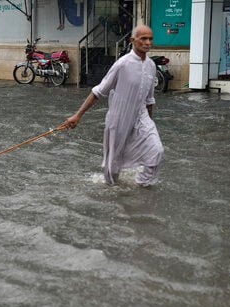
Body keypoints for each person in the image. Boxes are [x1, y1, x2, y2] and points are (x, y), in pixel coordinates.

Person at [65, 25, 164, 187]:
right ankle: (112, 194)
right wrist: (77, 116)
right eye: (143, 38)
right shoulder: (122, 64)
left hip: (141, 117)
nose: (148, 42)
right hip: (118, 118)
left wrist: (150, 125)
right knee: (113, 165)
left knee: (156, 151)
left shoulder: (151, 66)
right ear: (133, 41)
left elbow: (149, 99)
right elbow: (98, 91)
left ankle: (142, 188)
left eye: (150, 39)